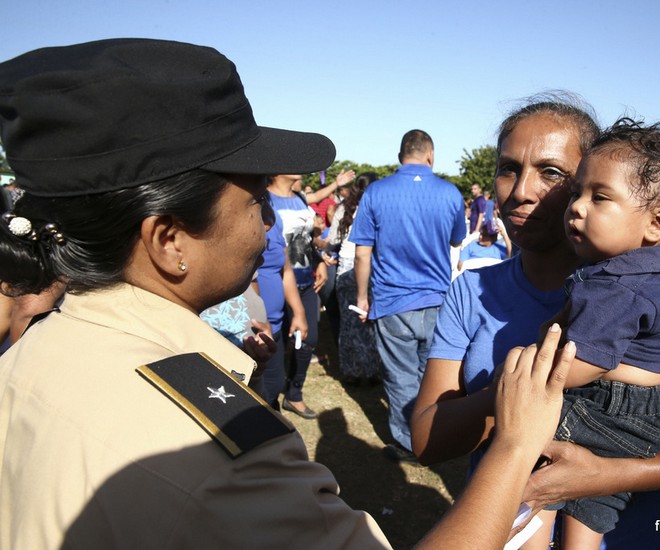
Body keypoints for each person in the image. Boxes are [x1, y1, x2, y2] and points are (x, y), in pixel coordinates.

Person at [0, 38, 582, 550]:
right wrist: (512, 446)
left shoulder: (30, 355)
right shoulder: (224, 457)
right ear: (170, 241)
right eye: (256, 202)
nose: (271, 227)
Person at [411, 94, 660, 549]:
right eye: (508, 167)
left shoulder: (652, 293)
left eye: (551, 173)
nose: (521, 190)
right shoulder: (472, 290)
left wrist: (612, 474)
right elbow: (427, 442)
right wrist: (515, 398)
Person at [536, 118, 660, 548]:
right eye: (576, 193)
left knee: (531, 454)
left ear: (659, 223)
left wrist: (529, 365)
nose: (576, 207)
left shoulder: (613, 286)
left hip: (616, 408)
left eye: (599, 197)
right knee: (593, 499)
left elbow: (577, 369)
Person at [349, 129, 466, 463]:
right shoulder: (449, 193)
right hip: (438, 300)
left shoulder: (376, 191)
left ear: (402, 155)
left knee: (401, 377)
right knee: (434, 375)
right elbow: (457, 240)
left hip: (391, 300)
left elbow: (362, 254)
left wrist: (362, 296)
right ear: (430, 155)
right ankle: (435, 434)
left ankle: (408, 442)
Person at [264, 173, 331, 419]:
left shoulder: (300, 198)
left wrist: (319, 262)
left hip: (305, 281)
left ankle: (294, 394)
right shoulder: (263, 198)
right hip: (275, 282)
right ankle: (270, 399)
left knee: (309, 339)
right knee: (276, 344)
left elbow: (306, 239)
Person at [327, 172, 383, 384]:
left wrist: (322, 247)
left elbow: (333, 239)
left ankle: (352, 371)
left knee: (349, 324)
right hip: (373, 269)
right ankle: (371, 371)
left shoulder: (345, 209)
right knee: (370, 322)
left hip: (347, 269)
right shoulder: (380, 208)